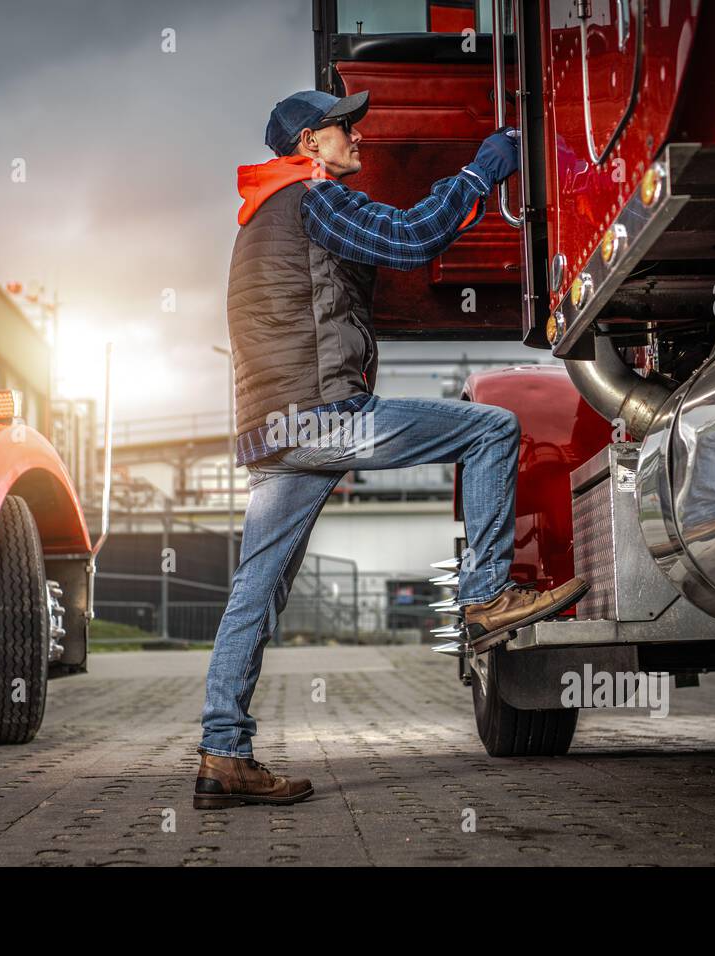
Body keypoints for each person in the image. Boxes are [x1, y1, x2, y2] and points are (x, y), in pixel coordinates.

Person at [193, 89, 588, 810]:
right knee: (492, 428)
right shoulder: (313, 197)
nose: (361, 140)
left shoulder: (261, 218)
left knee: (256, 587)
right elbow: (412, 238)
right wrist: (480, 174)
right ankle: (485, 598)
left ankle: (224, 752)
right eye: (349, 129)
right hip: (327, 417)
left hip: (273, 428)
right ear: (311, 141)